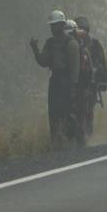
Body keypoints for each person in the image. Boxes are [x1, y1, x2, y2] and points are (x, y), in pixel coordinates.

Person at [30, 9, 83, 147]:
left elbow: (75, 67)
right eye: (52, 25)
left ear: (62, 25)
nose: (53, 28)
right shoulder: (50, 43)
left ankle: (70, 139)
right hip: (55, 81)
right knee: (53, 111)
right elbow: (43, 62)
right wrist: (35, 49)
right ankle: (55, 141)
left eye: (56, 25)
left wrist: (73, 86)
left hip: (67, 81)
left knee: (67, 111)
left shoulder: (71, 43)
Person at [73, 15, 107, 136]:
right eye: (79, 29)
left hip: (89, 82)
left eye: (83, 29)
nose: (81, 31)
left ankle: (87, 132)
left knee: (89, 107)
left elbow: (104, 61)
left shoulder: (95, 44)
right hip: (74, 81)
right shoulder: (70, 43)